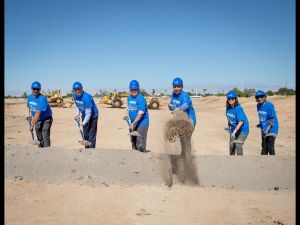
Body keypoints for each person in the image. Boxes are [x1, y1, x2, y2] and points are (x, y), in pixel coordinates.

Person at [124, 80, 149, 152]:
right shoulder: (129, 97)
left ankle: (141, 158)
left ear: (138, 89)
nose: (133, 91)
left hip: (142, 123)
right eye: (132, 89)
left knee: (140, 143)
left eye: (135, 89)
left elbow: (140, 114)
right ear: (130, 89)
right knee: (133, 141)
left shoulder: (141, 99)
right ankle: (134, 157)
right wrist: (126, 114)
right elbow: (128, 107)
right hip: (133, 122)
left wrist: (133, 123)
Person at [72, 81, 99, 148]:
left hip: (93, 115)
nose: (77, 91)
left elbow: (88, 113)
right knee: (85, 134)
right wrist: (77, 115)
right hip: (84, 114)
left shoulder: (86, 97)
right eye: (76, 90)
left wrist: (83, 123)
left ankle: (91, 151)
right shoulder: (75, 96)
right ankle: (87, 149)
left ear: (82, 89)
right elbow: (78, 106)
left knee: (91, 134)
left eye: (79, 89)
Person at [27, 81, 53, 148]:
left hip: (46, 119)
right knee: (38, 134)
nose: (35, 91)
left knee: (45, 134)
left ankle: (47, 150)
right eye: (34, 89)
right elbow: (30, 107)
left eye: (37, 89)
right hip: (38, 119)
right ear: (31, 89)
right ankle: (40, 150)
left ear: (40, 90)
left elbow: (38, 114)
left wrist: (32, 125)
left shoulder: (42, 98)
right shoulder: (29, 97)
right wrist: (30, 115)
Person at [225, 90, 249, 155]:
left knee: (238, 144)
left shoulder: (238, 108)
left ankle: (240, 161)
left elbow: (241, 122)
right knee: (231, 145)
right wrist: (228, 125)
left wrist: (235, 131)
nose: (230, 100)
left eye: (232, 98)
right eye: (229, 99)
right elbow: (229, 118)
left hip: (243, 130)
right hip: (233, 130)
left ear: (235, 99)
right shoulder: (228, 109)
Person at [255, 90, 279, 155]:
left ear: (265, 97)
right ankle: (263, 163)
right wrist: (260, 124)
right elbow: (263, 116)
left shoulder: (269, 105)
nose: (259, 98)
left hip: (272, 128)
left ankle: (273, 163)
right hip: (264, 129)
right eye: (257, 97)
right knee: (264, 147)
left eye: (261, 96)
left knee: (270, 147)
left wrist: (268, 129)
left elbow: (271, 118)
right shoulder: (258, 105)